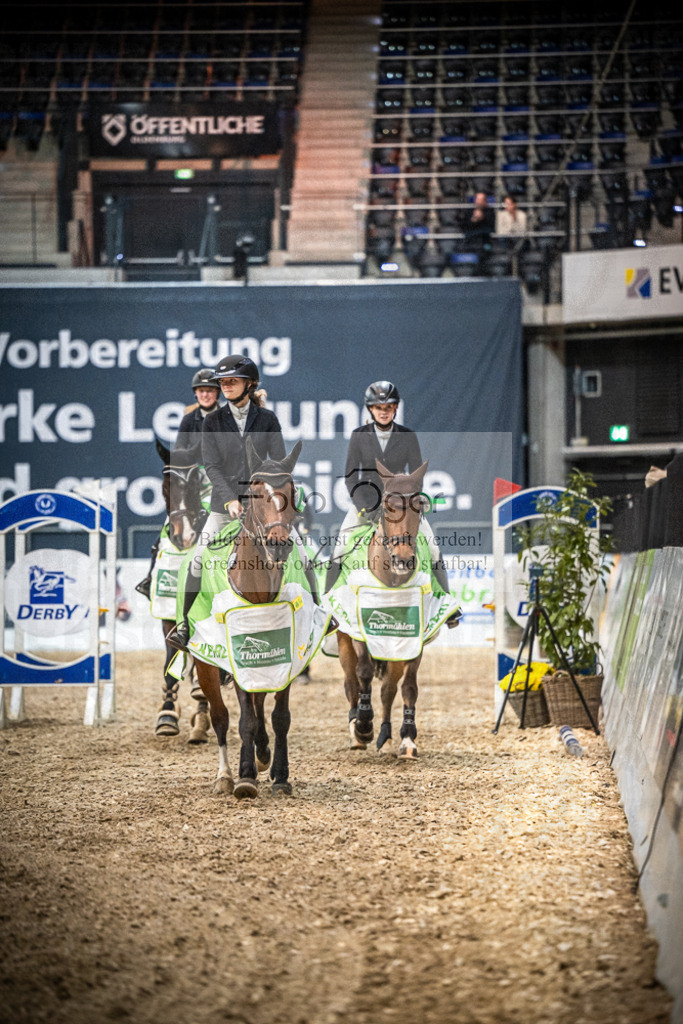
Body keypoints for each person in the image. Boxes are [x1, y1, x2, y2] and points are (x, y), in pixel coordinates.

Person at [167, 354, 287, 651]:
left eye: (233, 381)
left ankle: (320, 614)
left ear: (250, 384)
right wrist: (231, 499)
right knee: (196, 562)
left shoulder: (268, 419)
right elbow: (212, 467)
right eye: (223, 383)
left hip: (262, 504)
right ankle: (184, 626)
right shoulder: (212, 421)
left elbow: (280, 463)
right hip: (224, 506)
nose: (227, 387)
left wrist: (268, 494)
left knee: (303, 555)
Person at [329, 380, 451, 594]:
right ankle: (327, 605)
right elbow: (350, 477)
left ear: (395, 408)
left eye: (388, 408)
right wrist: (364, 507)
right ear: (371, 409)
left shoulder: (408, 436)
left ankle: (447, 602)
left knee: (433, 548)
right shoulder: (359, 435)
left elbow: (416, 477)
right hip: (366, 502)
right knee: (339, 548)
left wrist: (409, 502)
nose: (383, 412)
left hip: (401, 504)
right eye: (378, 408)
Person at [135, 369, 220, 599]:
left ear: (217, 393)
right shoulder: (188, 420)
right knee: (170, 521)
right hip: (192, 477)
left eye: (210, 391)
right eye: (202, 391)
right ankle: (151, 575)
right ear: (196, 393)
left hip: (218, 478)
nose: (206, 395)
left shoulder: (226, 419)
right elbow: (181, 452)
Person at [462, 191, 495, 255]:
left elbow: (492, 226)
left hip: (485, 241)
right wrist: (473, 220)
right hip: (471, 241)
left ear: (485, 201)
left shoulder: (490, 211)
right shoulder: (469, 211)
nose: (479, 201)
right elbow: (464, 226)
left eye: (481, 199)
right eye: (477, 199)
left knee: (487, 249)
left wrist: (482, 218)